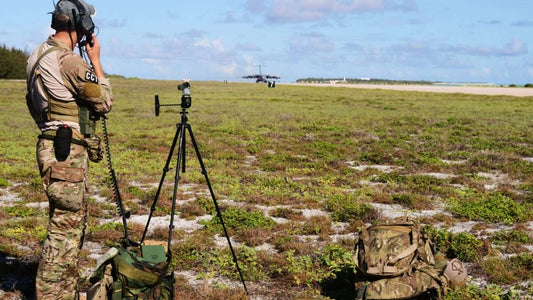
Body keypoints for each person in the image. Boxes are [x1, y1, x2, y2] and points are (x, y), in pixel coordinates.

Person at [25, 0, 113, 298]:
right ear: (83, 25)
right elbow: (103, 101)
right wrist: (96, 60)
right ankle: (52, 294)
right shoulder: (69, 61)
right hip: (66, 150)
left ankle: (65, 291)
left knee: (68, 222)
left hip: (51, 143)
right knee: (65, 228)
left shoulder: (37, 55)